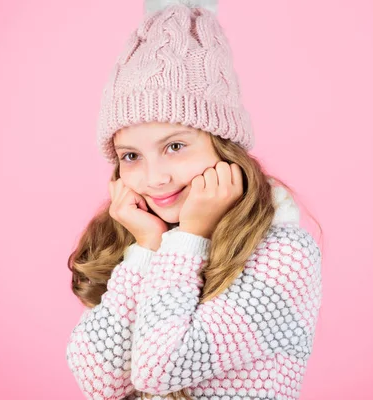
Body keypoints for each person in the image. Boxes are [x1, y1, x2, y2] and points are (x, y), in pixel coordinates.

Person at [65, 1, 324, 399]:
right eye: (131, 156)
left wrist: (190, 236)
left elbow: (158, 369)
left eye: (175, 146)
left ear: (224, 147)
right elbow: (102, 385)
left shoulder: (285, 255)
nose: (155, 178)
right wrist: (146, 248)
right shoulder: (140, 237)